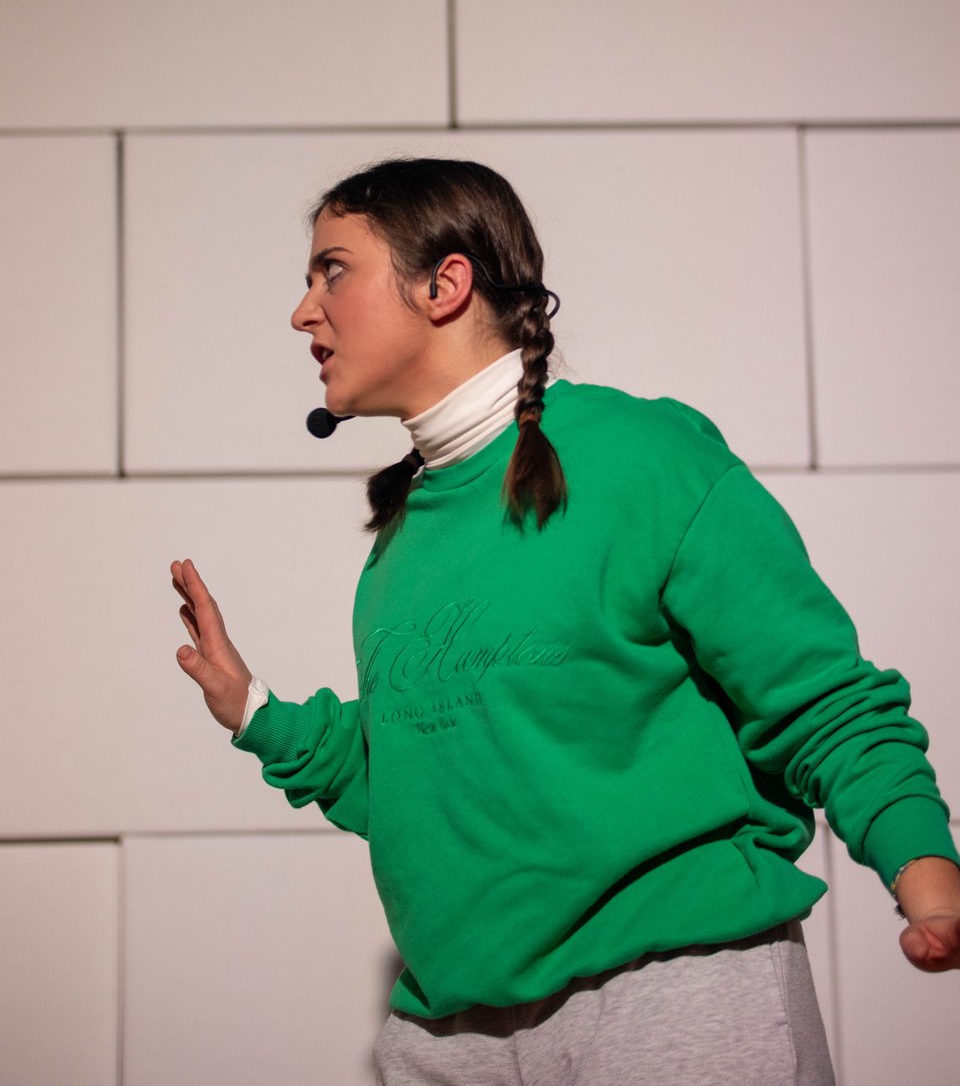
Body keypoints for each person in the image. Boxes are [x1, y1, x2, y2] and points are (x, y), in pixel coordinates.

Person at [172, 157, 960, 1086]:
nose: (303, 312)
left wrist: (926, 876)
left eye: (332, 271)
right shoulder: (399, 545)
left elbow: (822, 701)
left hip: (675, 1000)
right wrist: (255, 711)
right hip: (451, 1031)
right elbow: (428, 791)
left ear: (444, 284)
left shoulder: (645, 459)